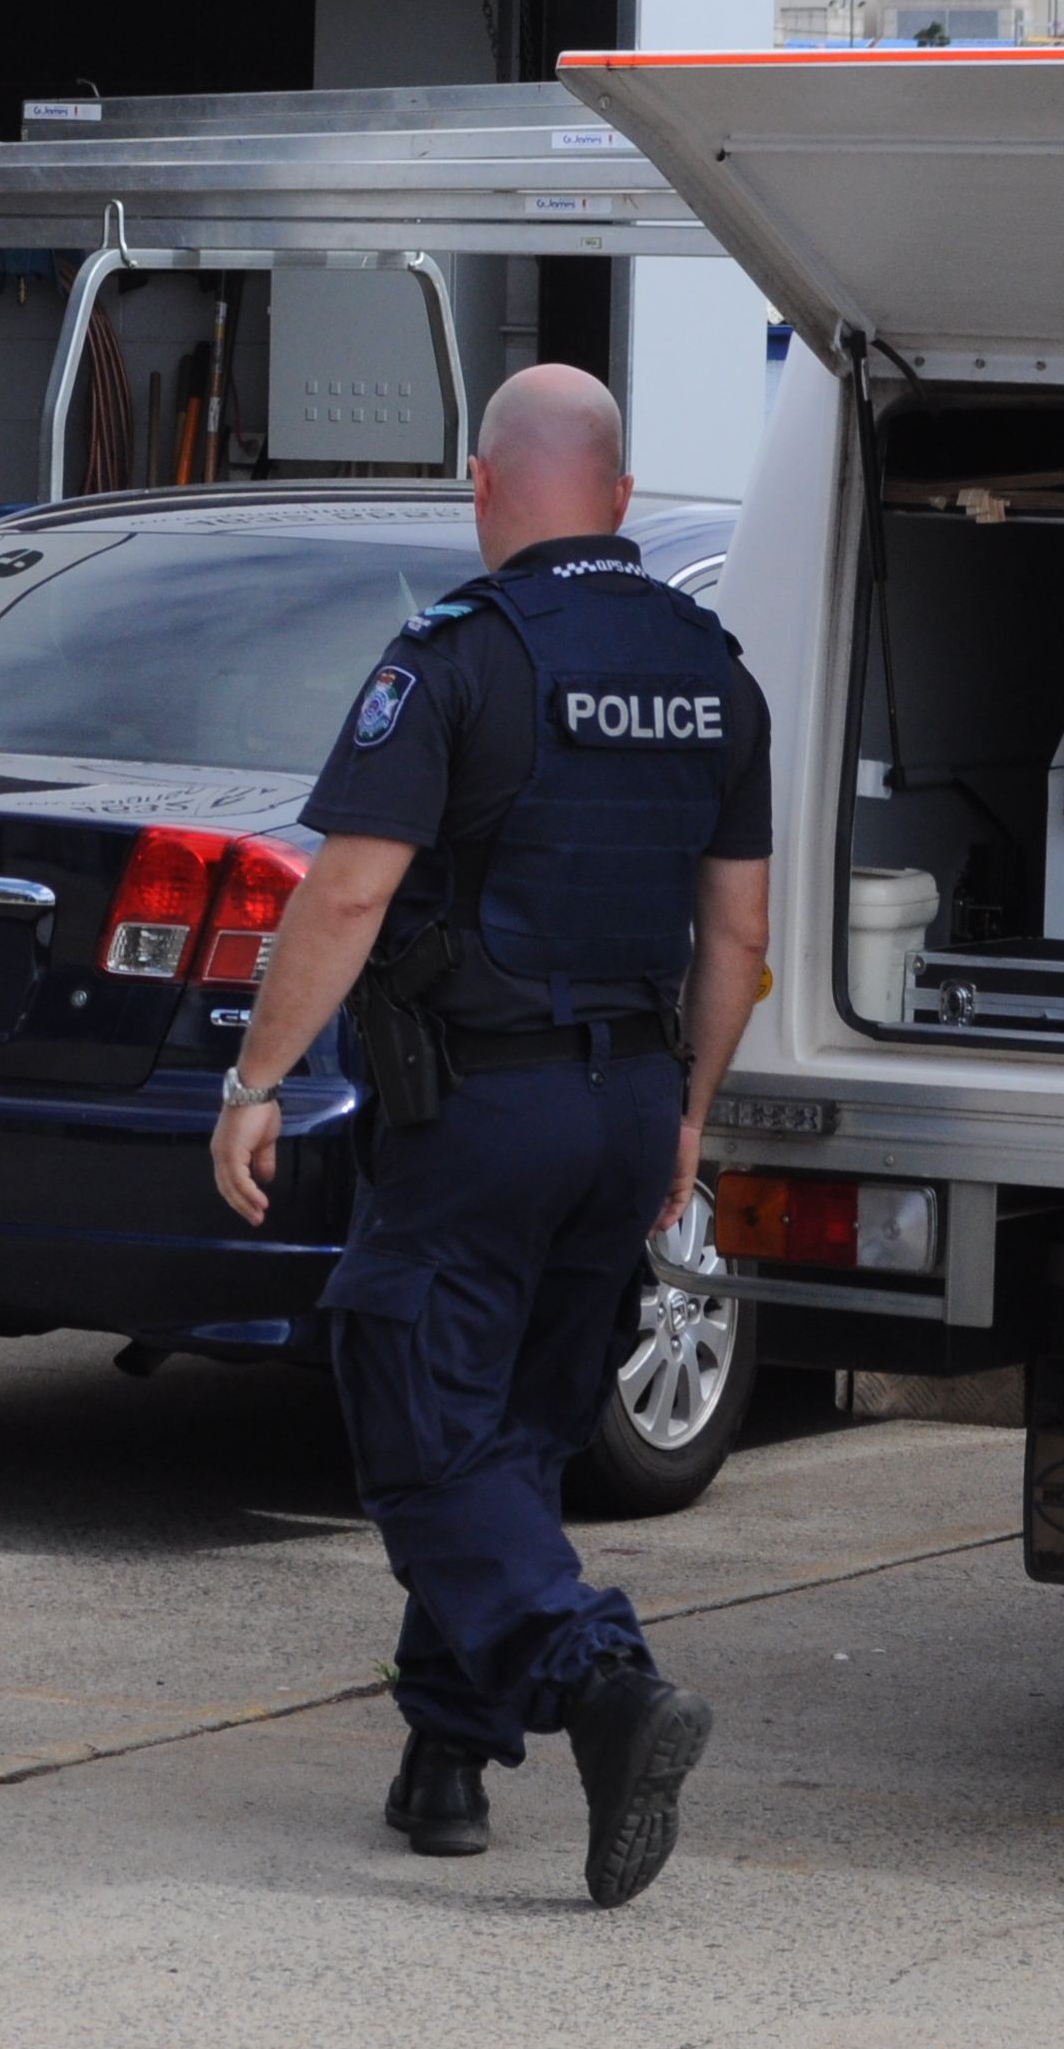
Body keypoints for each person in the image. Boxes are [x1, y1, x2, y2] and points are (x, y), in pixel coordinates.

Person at [209, 364, 772, 1907]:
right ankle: (447, 1760)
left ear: (481, 487)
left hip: (480, 1111)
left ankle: (598, 1680)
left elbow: (349, 890)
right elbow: (739, 935)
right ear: (622, 496)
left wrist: (256, 1081)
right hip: (630, 1105)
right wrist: (686, 1120)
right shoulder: (712, 669)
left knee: (416, 1415)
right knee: (512, 1432)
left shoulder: (458, 655)